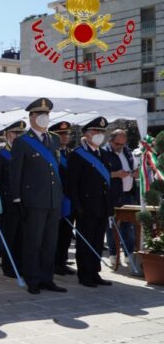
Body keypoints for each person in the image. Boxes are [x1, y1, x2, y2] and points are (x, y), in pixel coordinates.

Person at [9, 98, 67, 295]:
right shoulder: (22, 142)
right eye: (40, 114)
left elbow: (55, 170)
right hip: (33, 200)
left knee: (50, 242)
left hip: (53, 199)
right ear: (31, 117)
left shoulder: (54, 139)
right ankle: (32, 279)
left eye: (47, 114)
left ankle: (46, 278)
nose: (44, 118)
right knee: (33, 242)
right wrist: (17, 198)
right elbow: (15, 172)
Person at [67, 117, 114, 287]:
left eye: (101, 132)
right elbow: (72, 183)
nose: (99, 135)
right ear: (86, 134)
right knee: (85, 241)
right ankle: (85, 275)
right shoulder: (77, 155)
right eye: (95, 131)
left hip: (101, 205)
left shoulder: (104, 154)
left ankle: (95, 272)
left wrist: (110, 205)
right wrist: (77, 205)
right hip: (85, 206)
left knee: (97, 241)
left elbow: (107, 183)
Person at [0, 120, 26, 279]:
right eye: (15, 133)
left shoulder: (24, 152)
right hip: (8, 201)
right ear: (7, 135)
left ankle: (20, 263)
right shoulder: (2, 154)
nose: (17, 136)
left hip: (24, 201)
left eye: (20, 133)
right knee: (10, 235)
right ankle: (9, 266)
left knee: (22, 235)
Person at [102, 129, 136, 266]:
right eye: (117, 144)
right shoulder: (103, 152)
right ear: (110, 141)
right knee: (112, 226)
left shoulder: (126, 151)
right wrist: (115, 174)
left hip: (127, 194)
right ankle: (113, 254)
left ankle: (129, 254)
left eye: (123, 144)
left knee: (129, 226)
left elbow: (132, 166)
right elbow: (100, 174)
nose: (120, 147)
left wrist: (134, 173)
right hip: (113, 195)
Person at [50, 121, 77, 275]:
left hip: (69, 199)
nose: (65, 136)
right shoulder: (51, 153)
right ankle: (54, 263)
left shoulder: (70, 153)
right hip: (56, 198)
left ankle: (62, 261)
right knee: (55, 233)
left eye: (66, 134)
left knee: (66, 233)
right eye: (61, 134)